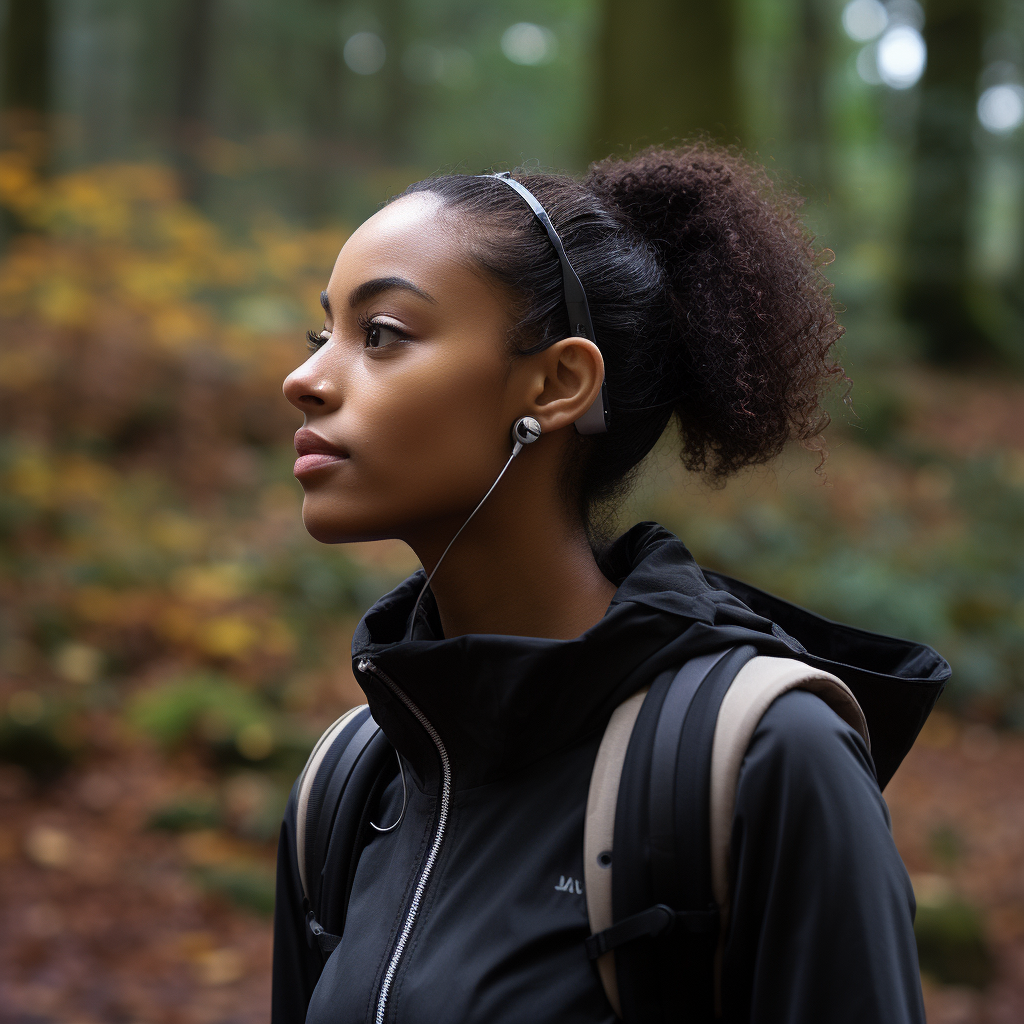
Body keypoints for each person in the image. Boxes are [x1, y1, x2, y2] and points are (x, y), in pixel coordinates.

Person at [272, 145, 942, 1024]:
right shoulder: (348, 784)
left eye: (382, 335)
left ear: (557, 383)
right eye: (323, 336)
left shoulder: (768, 759)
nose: (305, 379)